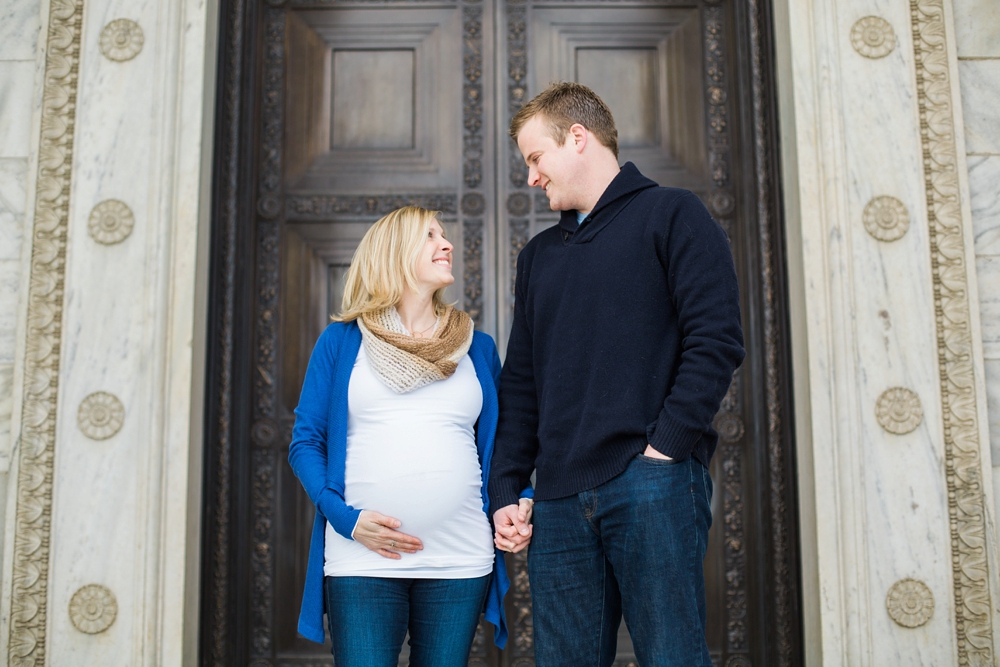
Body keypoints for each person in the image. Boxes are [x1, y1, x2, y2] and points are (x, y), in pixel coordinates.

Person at [488, 82, 746, 666]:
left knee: (671, 657)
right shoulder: (539, 257)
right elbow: (523, 381)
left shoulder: (672, 214)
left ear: (577, 138)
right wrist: (508, 485)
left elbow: (717, 339)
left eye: (535, 158)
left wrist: (665, 449)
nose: (531, 178)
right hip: (555, 500)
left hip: (650, 483)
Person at [288, 206, 531, 667]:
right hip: (361, 557)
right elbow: (305, 443)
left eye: (445, 235)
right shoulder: (342, 342)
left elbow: (503, 447)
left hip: (460, 556)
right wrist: (345, 519)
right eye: (431, 236)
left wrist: (516, 499)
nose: (448, 244)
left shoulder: (476, 348)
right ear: (394, 255)